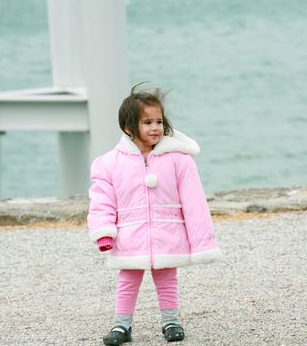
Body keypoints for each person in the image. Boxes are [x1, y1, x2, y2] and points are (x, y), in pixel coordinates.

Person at [87, 83, 222, 345]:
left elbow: (194, 203)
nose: (155, 127)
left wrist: (202, 243)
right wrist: (104, 232)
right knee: (127, 279)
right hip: (129, 234)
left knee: (167, 278)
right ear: (128, 128)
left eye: (159, 121)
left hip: (167, 232)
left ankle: (171, 321)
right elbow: (102, 200)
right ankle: (122, 326)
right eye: (147, 122)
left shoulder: (179, 160)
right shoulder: (111, 163)